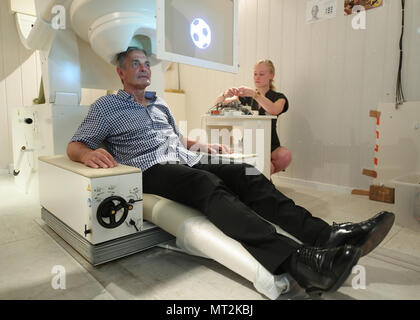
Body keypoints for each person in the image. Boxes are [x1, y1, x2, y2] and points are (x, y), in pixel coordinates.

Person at [67, 47, 395, 295]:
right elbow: (76, 144)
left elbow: (178, 139)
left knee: (246, 173)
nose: (142, 68)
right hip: (150, 168)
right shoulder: (107, 106)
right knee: (206, 184)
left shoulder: (160, 103)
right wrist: (88, 153)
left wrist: (206, 147)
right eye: (134, 64)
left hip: (183, 158)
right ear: (121, 72)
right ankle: (298, 261)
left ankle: (326, 236)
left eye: (145, 64)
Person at [214, 60, 291, 175]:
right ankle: (260, 176)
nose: (257, 77)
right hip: (249, 142)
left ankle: (262, 175)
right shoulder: (247, 97)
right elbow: (219, 104)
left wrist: (255, 95)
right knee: (266, 166)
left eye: (261, 74)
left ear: (271, 75)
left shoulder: (278, 97)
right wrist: (225, 94)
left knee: (285, 155)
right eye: (255, 74)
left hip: (270, 143)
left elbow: (274, 110)